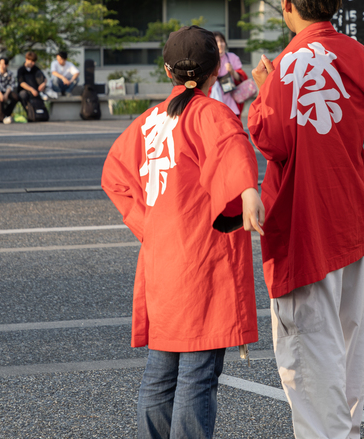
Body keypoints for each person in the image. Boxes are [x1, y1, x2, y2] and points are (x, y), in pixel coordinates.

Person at [247, 0, 364, 439]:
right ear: (335, 3)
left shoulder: (288, 65)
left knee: (309, 350)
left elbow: (271, 139)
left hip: (303, 223)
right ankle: (347, 430)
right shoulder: (358, 54)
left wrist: (262, 92)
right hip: (349, 218)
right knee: (345, 341)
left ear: (287, 4)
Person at [102, 25, 266, 439]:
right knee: (196, 375)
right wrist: (247, 191)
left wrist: (147, 225)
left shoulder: (150, 120)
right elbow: (232, 148)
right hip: (201, 259)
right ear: (216, 71)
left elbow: (114, 177)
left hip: (161, 260)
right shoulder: (211, 113)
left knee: (160, 374)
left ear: (166, 70)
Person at [208, 31, 246, 118]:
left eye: (221, 41)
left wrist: (232, 71)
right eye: (216, 42)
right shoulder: (209, 59)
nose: (220, 44)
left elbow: (241, 78)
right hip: (213, 96)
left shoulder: (232, 57)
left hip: (231, 98)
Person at [0, 57, 19, 124]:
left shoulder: (10, 73)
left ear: (7, 65)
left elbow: (11, 85)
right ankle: (1, 118)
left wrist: (6, 94)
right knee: (0, 98)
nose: (2, 66)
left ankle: (6, 114)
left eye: (4, 64)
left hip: (7, 91)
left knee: (16, 97)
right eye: (0, 64)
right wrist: (0, 94)